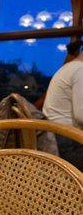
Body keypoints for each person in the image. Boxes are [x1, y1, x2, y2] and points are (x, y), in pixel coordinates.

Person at [43, 40, 83, 170]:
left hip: (52, 137)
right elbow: (81, 116)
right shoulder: (80, 69)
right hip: (66, 142)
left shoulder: (66, 68)